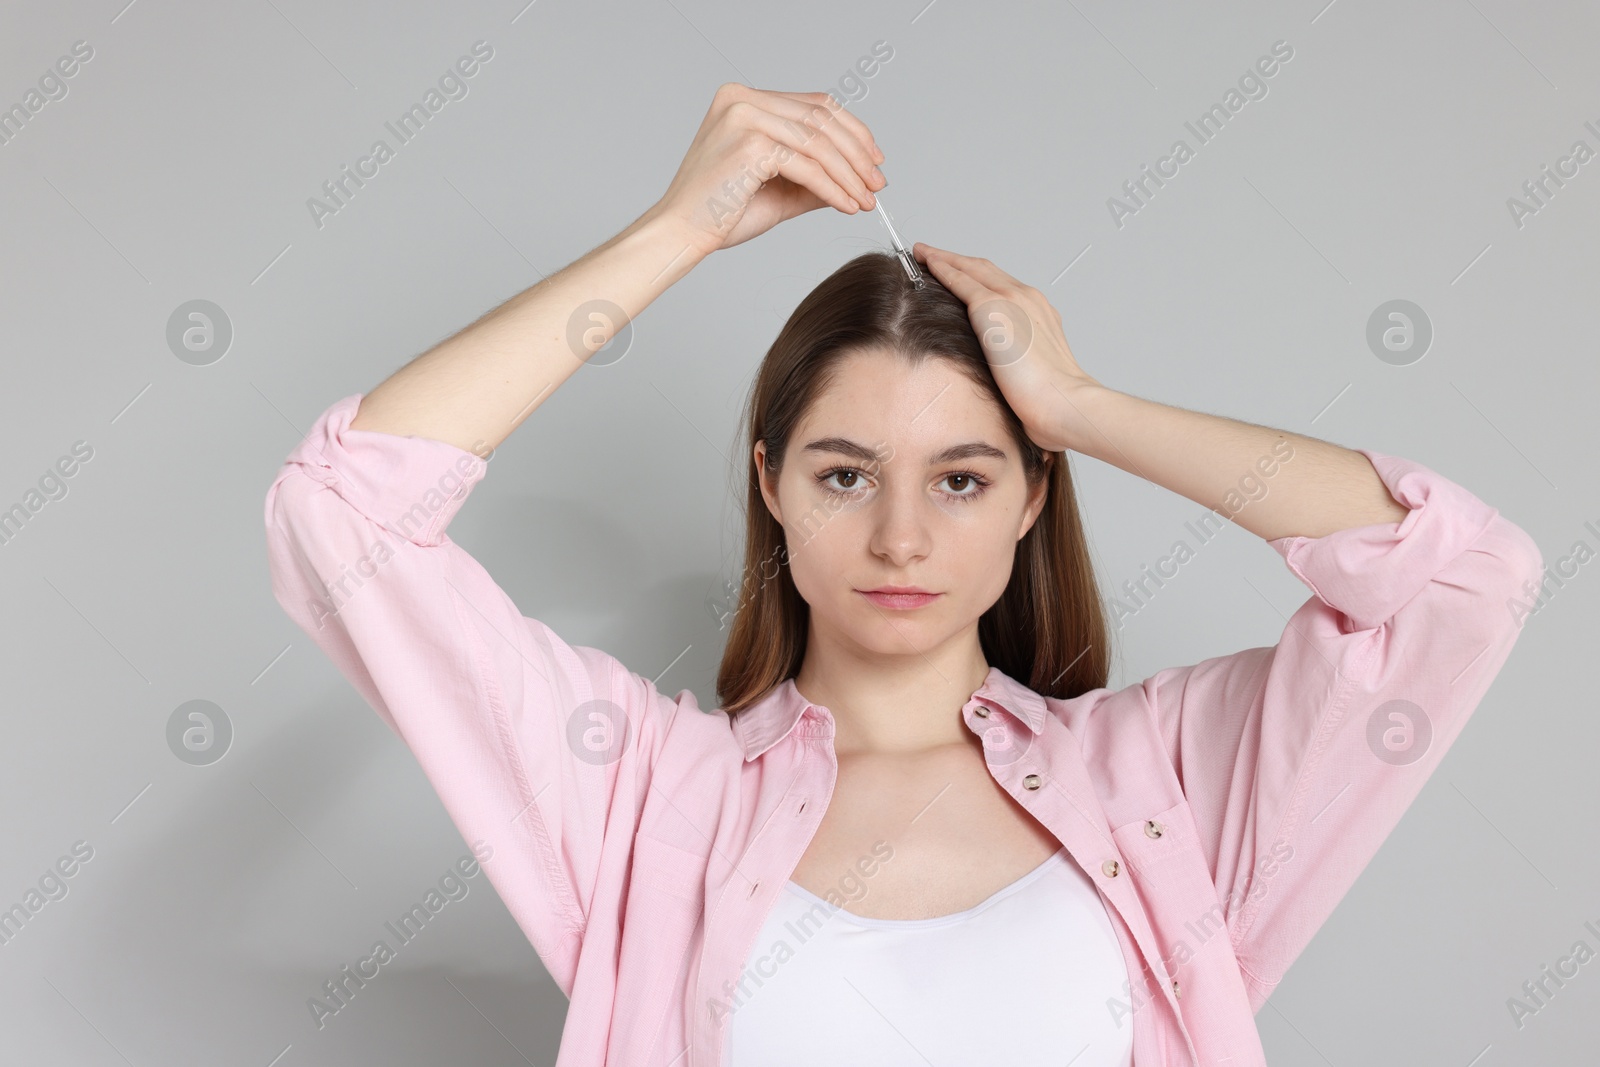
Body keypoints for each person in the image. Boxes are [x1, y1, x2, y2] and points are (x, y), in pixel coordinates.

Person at [263, 83, 1543, 1066]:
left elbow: (1459, 577)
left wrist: (1083, 406)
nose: (899, 538)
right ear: (769, 484)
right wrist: (677, 230)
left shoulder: (1164, 785)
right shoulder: (647, 802)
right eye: (842, 473)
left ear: (1033, 496)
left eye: (964, 477)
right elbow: (341, 506)